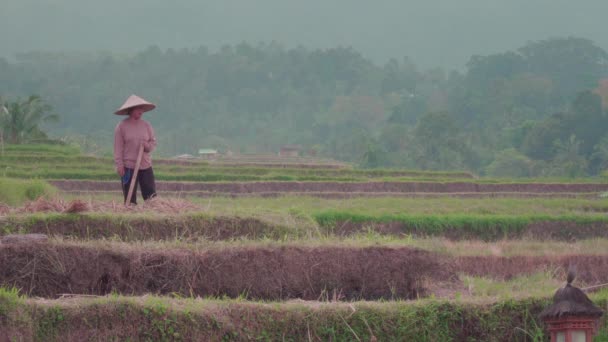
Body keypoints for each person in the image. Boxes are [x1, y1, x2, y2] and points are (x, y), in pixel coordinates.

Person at [113, 94, 158, 204]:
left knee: (150, 195)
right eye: (138, 108)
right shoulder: (121, 126)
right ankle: (130, 212)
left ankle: (151, 214)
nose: (141, 111)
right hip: (128, 166)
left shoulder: (146, 125)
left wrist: (146, 146)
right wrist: (120, 165)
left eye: (142, 108)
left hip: (145, 165)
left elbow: (153, 142)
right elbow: (118, 148)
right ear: (131, 110)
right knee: (129, 196)